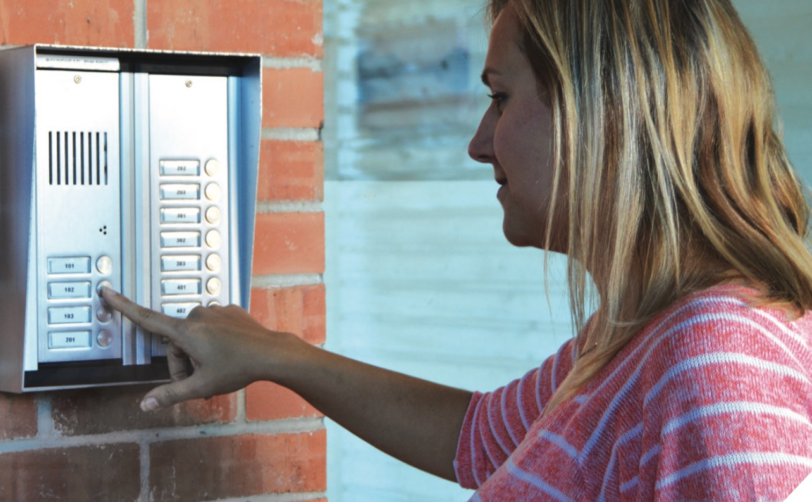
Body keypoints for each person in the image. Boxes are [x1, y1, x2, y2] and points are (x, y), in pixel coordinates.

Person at [101, 0, 812, 499]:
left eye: (500, 100)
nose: (478, 143)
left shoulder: (717, 361)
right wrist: (274, 352)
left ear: (604, 114)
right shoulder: (640, 335)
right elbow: (477, 438)